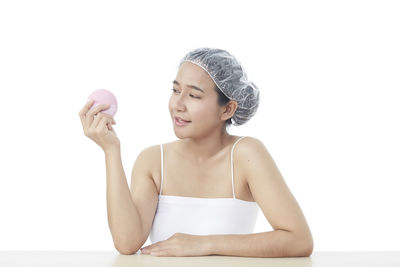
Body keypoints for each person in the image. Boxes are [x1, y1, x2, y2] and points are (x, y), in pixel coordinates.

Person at [78, 47, 313, 257]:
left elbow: (298, 240)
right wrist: (111, 150)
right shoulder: (152, 160)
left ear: (227, 109)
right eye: (175, 90)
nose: (177, 104)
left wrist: (203, 244)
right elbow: (127, 242)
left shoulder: (246, 154)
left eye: (194, 95)